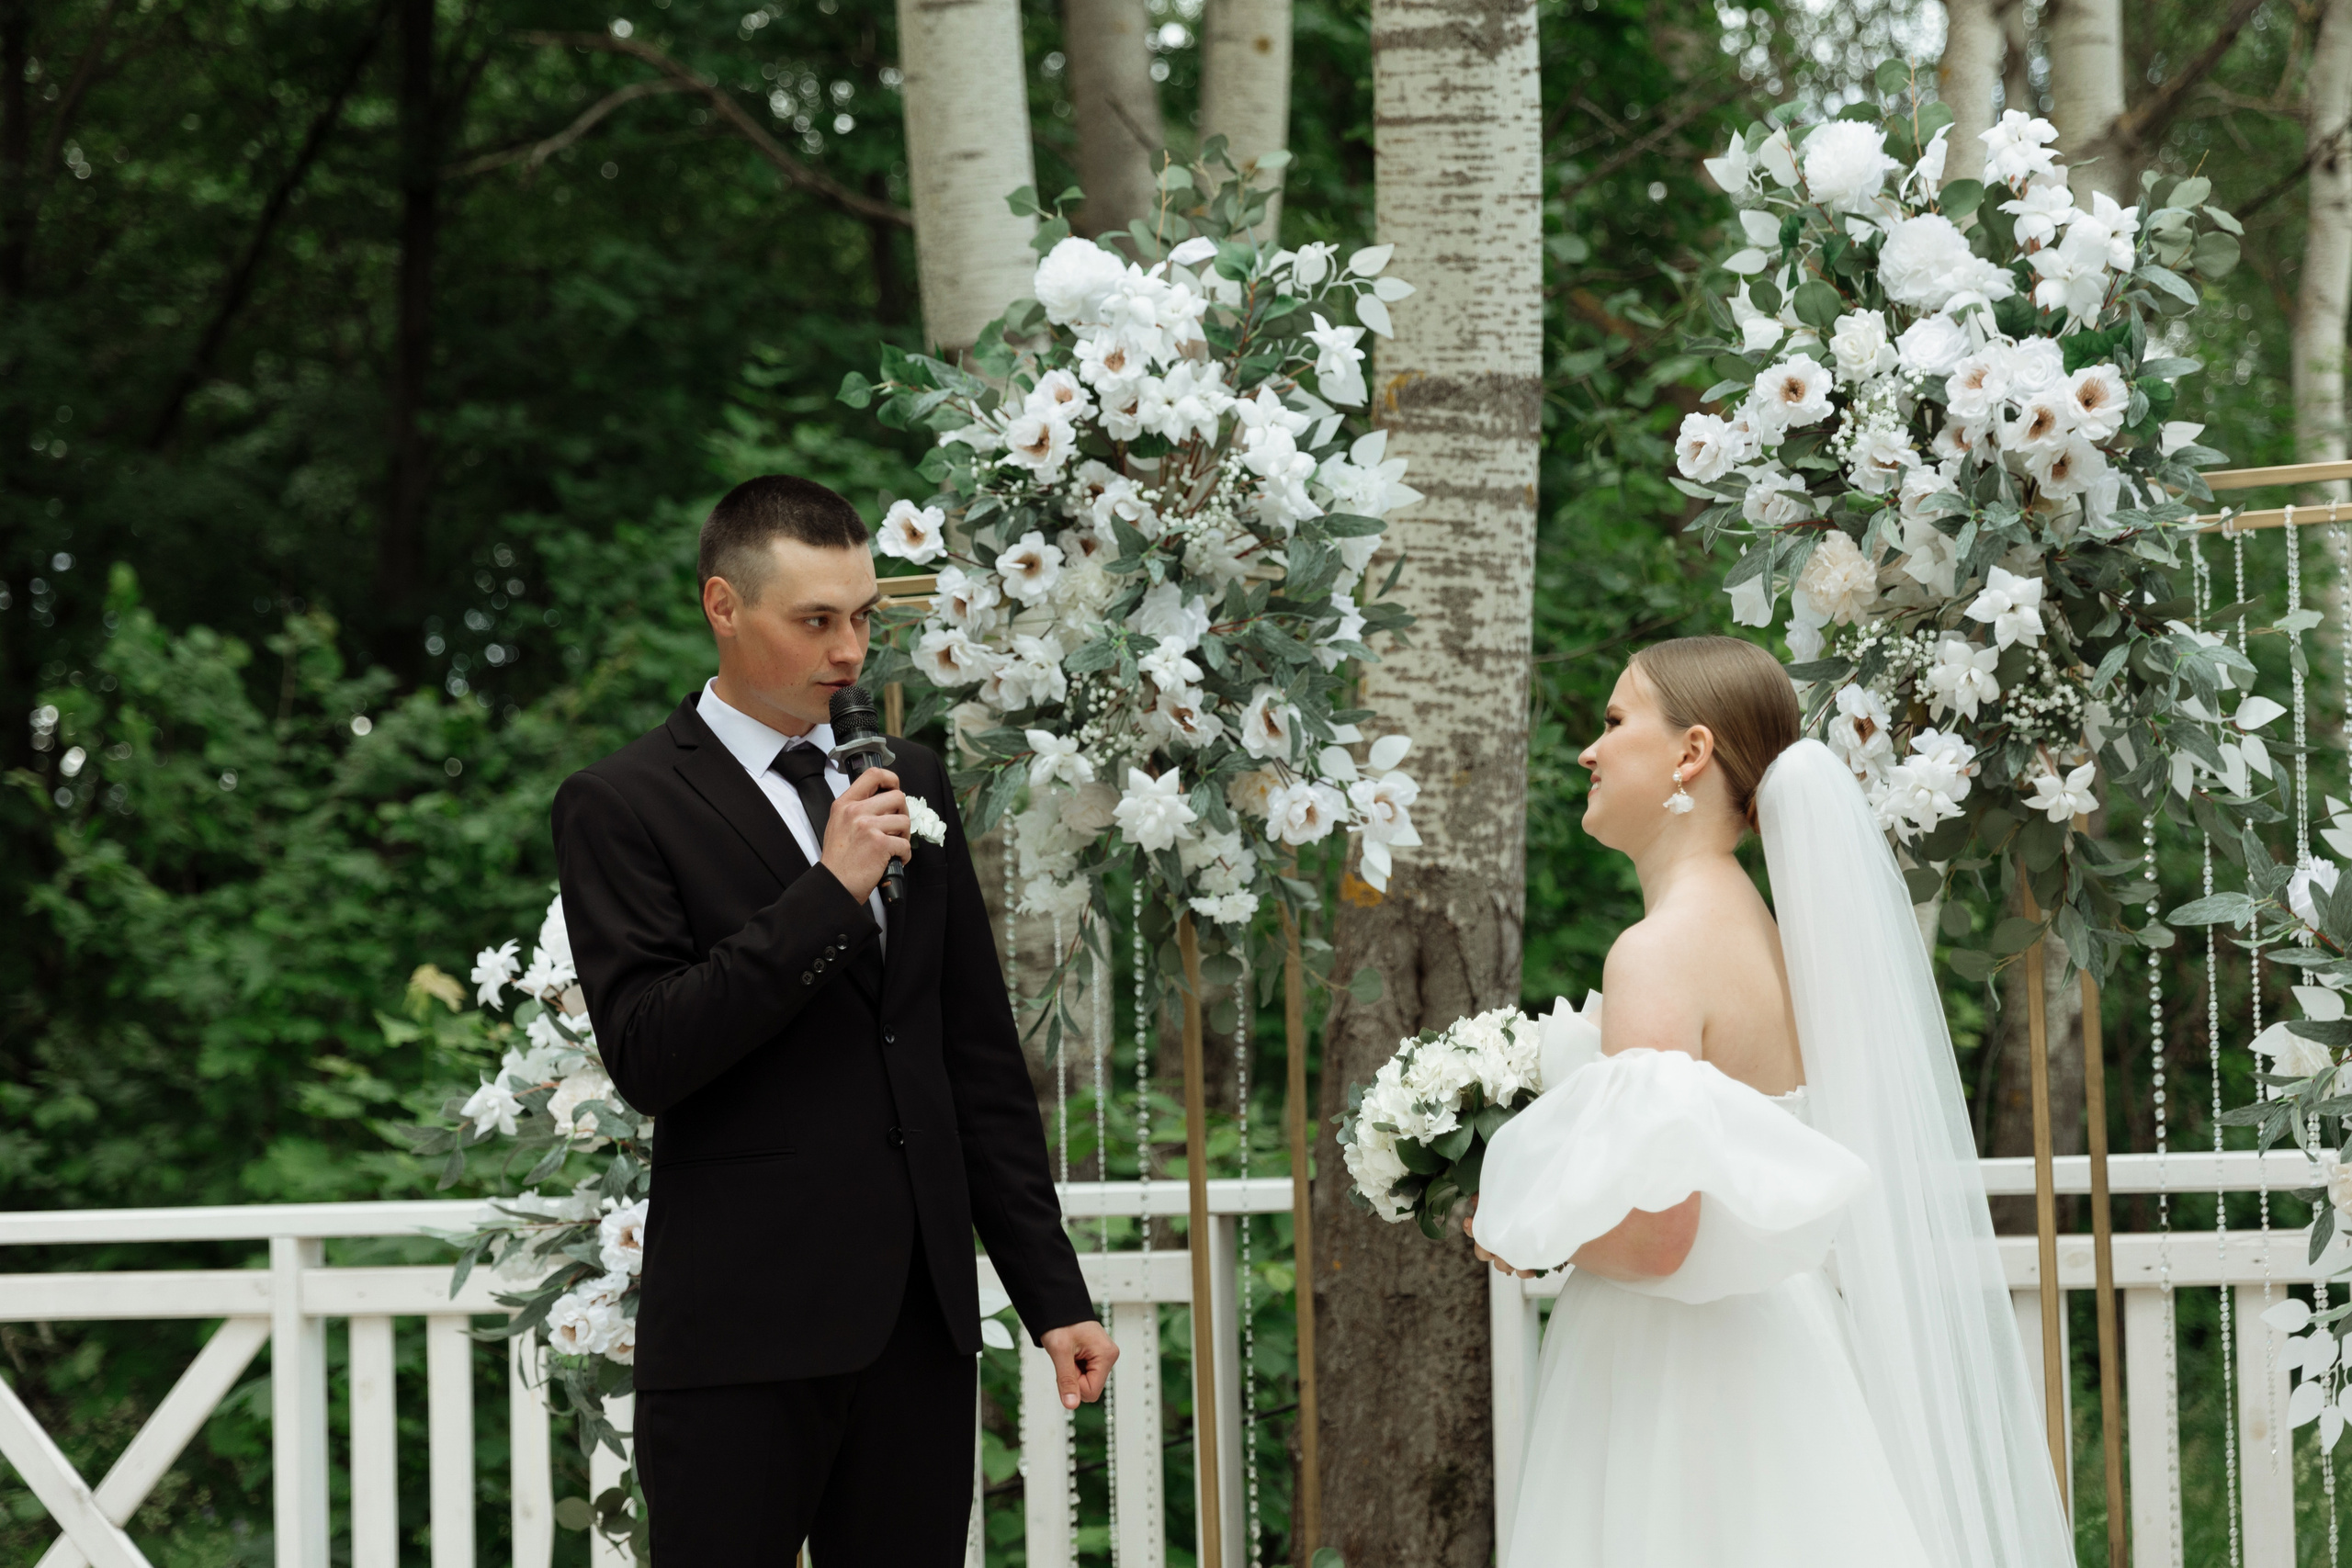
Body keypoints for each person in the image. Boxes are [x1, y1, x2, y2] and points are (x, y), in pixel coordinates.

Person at [552, 474, 1116, 1562]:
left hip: (917, 1323)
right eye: (815, 621)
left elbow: (971, 1057)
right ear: (724, 606)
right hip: (739, 1332)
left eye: (861, 617)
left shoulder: (911, 779)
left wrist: (1052, 1293)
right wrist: (828, 891)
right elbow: (651, 1053)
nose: (850, 651)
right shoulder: (622, 804)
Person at [1466, 636, 2070, 1568]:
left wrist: (1510, 1226)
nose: (1590, 750)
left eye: (1616, 721)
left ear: (1690, 754)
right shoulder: (1768, 935)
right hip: (1781, 1344)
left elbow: (1662, 1234)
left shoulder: (1657, 953)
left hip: (1676, 1376)